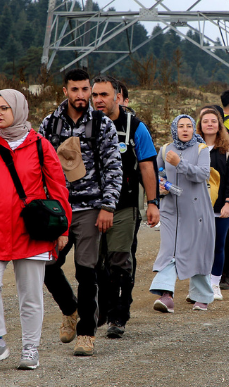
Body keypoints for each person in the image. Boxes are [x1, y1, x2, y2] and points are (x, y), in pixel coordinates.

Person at [0, 90, 71, 369]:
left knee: (31, 294)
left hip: (31, 230)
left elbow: (58, 187)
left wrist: (63, 229)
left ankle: (30, 348)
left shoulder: (40, 145)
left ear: (20, 110)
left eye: (5, 108)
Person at [38, 68, 123, 356]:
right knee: (45, 265)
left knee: (87, 272)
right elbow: (37, 165)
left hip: (89, 209)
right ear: (65, 91)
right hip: (56, 210)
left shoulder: (101, 124)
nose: (81, 95)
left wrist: (107, 206)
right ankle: (69, 309)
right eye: (75, 90)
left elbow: (113, 167)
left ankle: (86, 332)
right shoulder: (49, 124)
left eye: (85, 89)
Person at [91, 75, 159, 338]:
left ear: (117, 96)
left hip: (124, 205)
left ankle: (119, 314)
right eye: (94, 95)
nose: (98, 100)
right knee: (95, 262)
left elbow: (147, 167)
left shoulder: (135, 127)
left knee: (120, 259)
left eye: (104, 95)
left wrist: (152, 203)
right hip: (91, 206)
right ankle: (102, 308)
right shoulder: (85, 123)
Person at [151, 115, 215, 312]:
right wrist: (160, 185)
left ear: (194, 129)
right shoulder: (165, 149)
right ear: (174, 129)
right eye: (181, 126)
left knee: (198, 250)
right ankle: (166, 295)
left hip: (196, 210)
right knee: (168, 249)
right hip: (170, 209)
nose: (185, 130)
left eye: (189, 126)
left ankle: (201, 296)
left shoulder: (201, 149)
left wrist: (180, 163)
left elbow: (203, 174)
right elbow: (157, 171)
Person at [196, 107, 229, 300]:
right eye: (206, 121)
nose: (210, 124)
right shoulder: (194, 149)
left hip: (222, 207)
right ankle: (201, 283)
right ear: (200, 125)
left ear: (219, 125)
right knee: (200, 246)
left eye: (213, 121)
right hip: (198, 207)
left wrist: (228, 203)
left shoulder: (228, 150)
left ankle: (215, 284)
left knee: (219, 245)